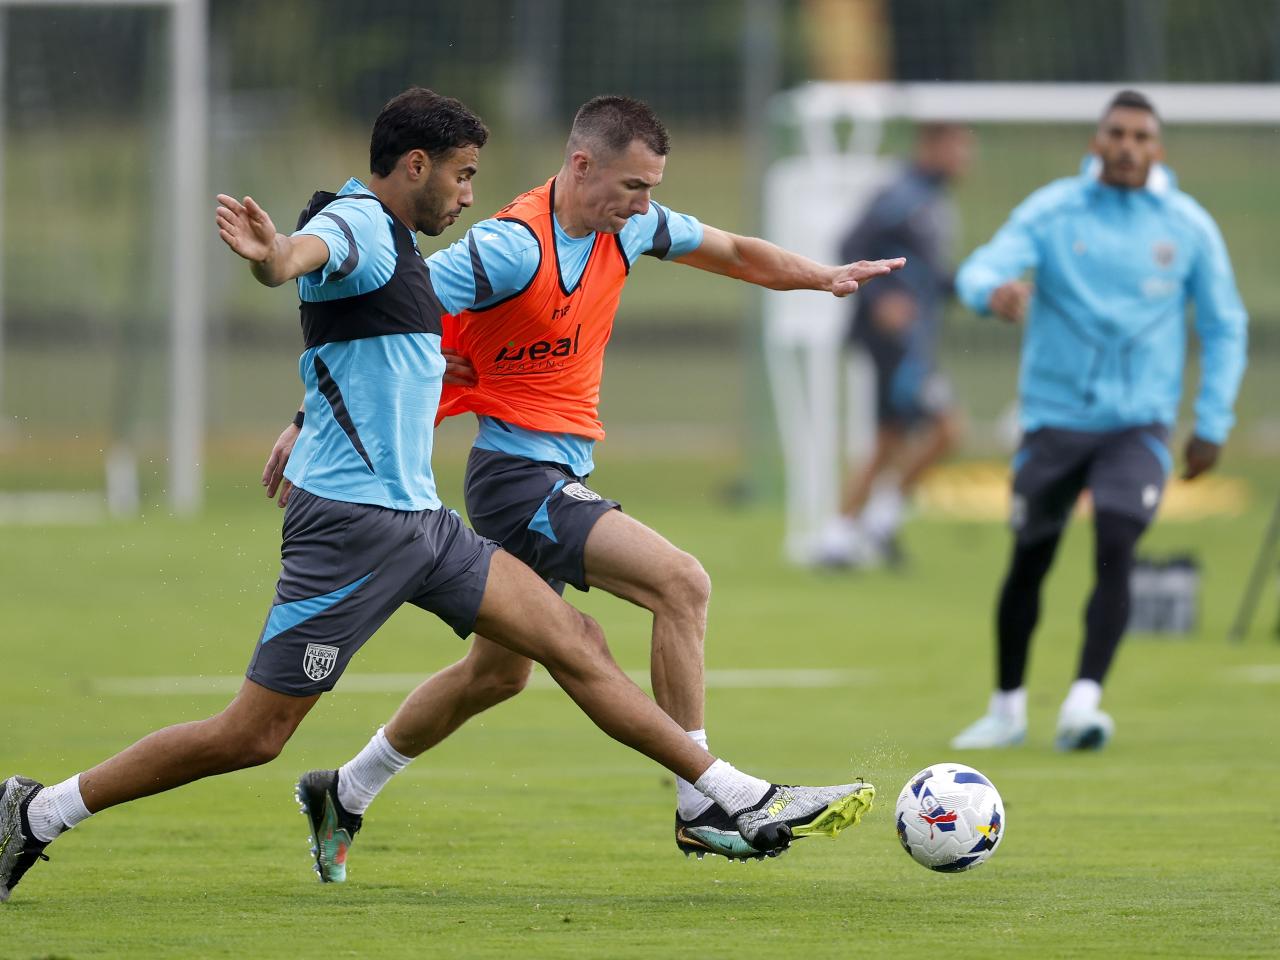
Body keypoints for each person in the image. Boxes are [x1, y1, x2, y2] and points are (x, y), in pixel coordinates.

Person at [0, 88, 876, 903]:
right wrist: (275, 260)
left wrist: (820, 276)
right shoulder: (361, 224)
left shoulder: (421, 253)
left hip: (422, 521)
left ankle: (724, 794)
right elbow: (309, 256)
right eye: (461, 176)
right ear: (414, 166)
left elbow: (376, 350)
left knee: (568, 644)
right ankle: (38, 812)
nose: (470, 197)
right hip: (350, 529)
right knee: (251, 736)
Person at [261, 94, 902, 879]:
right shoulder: (507, 247)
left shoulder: (634, 228)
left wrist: (824, 277)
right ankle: (703, 802)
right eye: (633, 186)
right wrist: (310, 414)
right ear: (581, 165)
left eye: (653, 188)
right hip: (514, 478)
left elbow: (735, 253)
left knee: (496, 675)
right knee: (680, 583)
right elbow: (386, 302)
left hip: (553, 473)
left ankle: (346, 790)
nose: (645, 204)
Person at [948, 90, 1247, 752]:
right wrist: (987, 292)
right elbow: (985, 265)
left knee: (1119, 538)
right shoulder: (1055, 210)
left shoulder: (1187, 225)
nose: (1128, 146)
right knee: (1031, 558)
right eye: (1117, 133)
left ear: (1158, 149)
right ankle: (1007, 708)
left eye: (1142, 136)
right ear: (1096, 141)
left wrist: (1212, 421)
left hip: (1138, 423)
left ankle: (1084, 703)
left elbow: (1225, 325)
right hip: (1053, 420)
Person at [815, 123, 973, 569]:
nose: (965, 159)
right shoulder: (899, 195)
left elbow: (928, 277)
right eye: (958, 147)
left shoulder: (935, 201)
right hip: (892, 341)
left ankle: (844, 536)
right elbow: (849, 244)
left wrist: (980, 288)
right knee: (947, 427)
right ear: (932, 146)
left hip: (915, 340)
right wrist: (881, 299)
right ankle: (870, 525)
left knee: (891, 438)